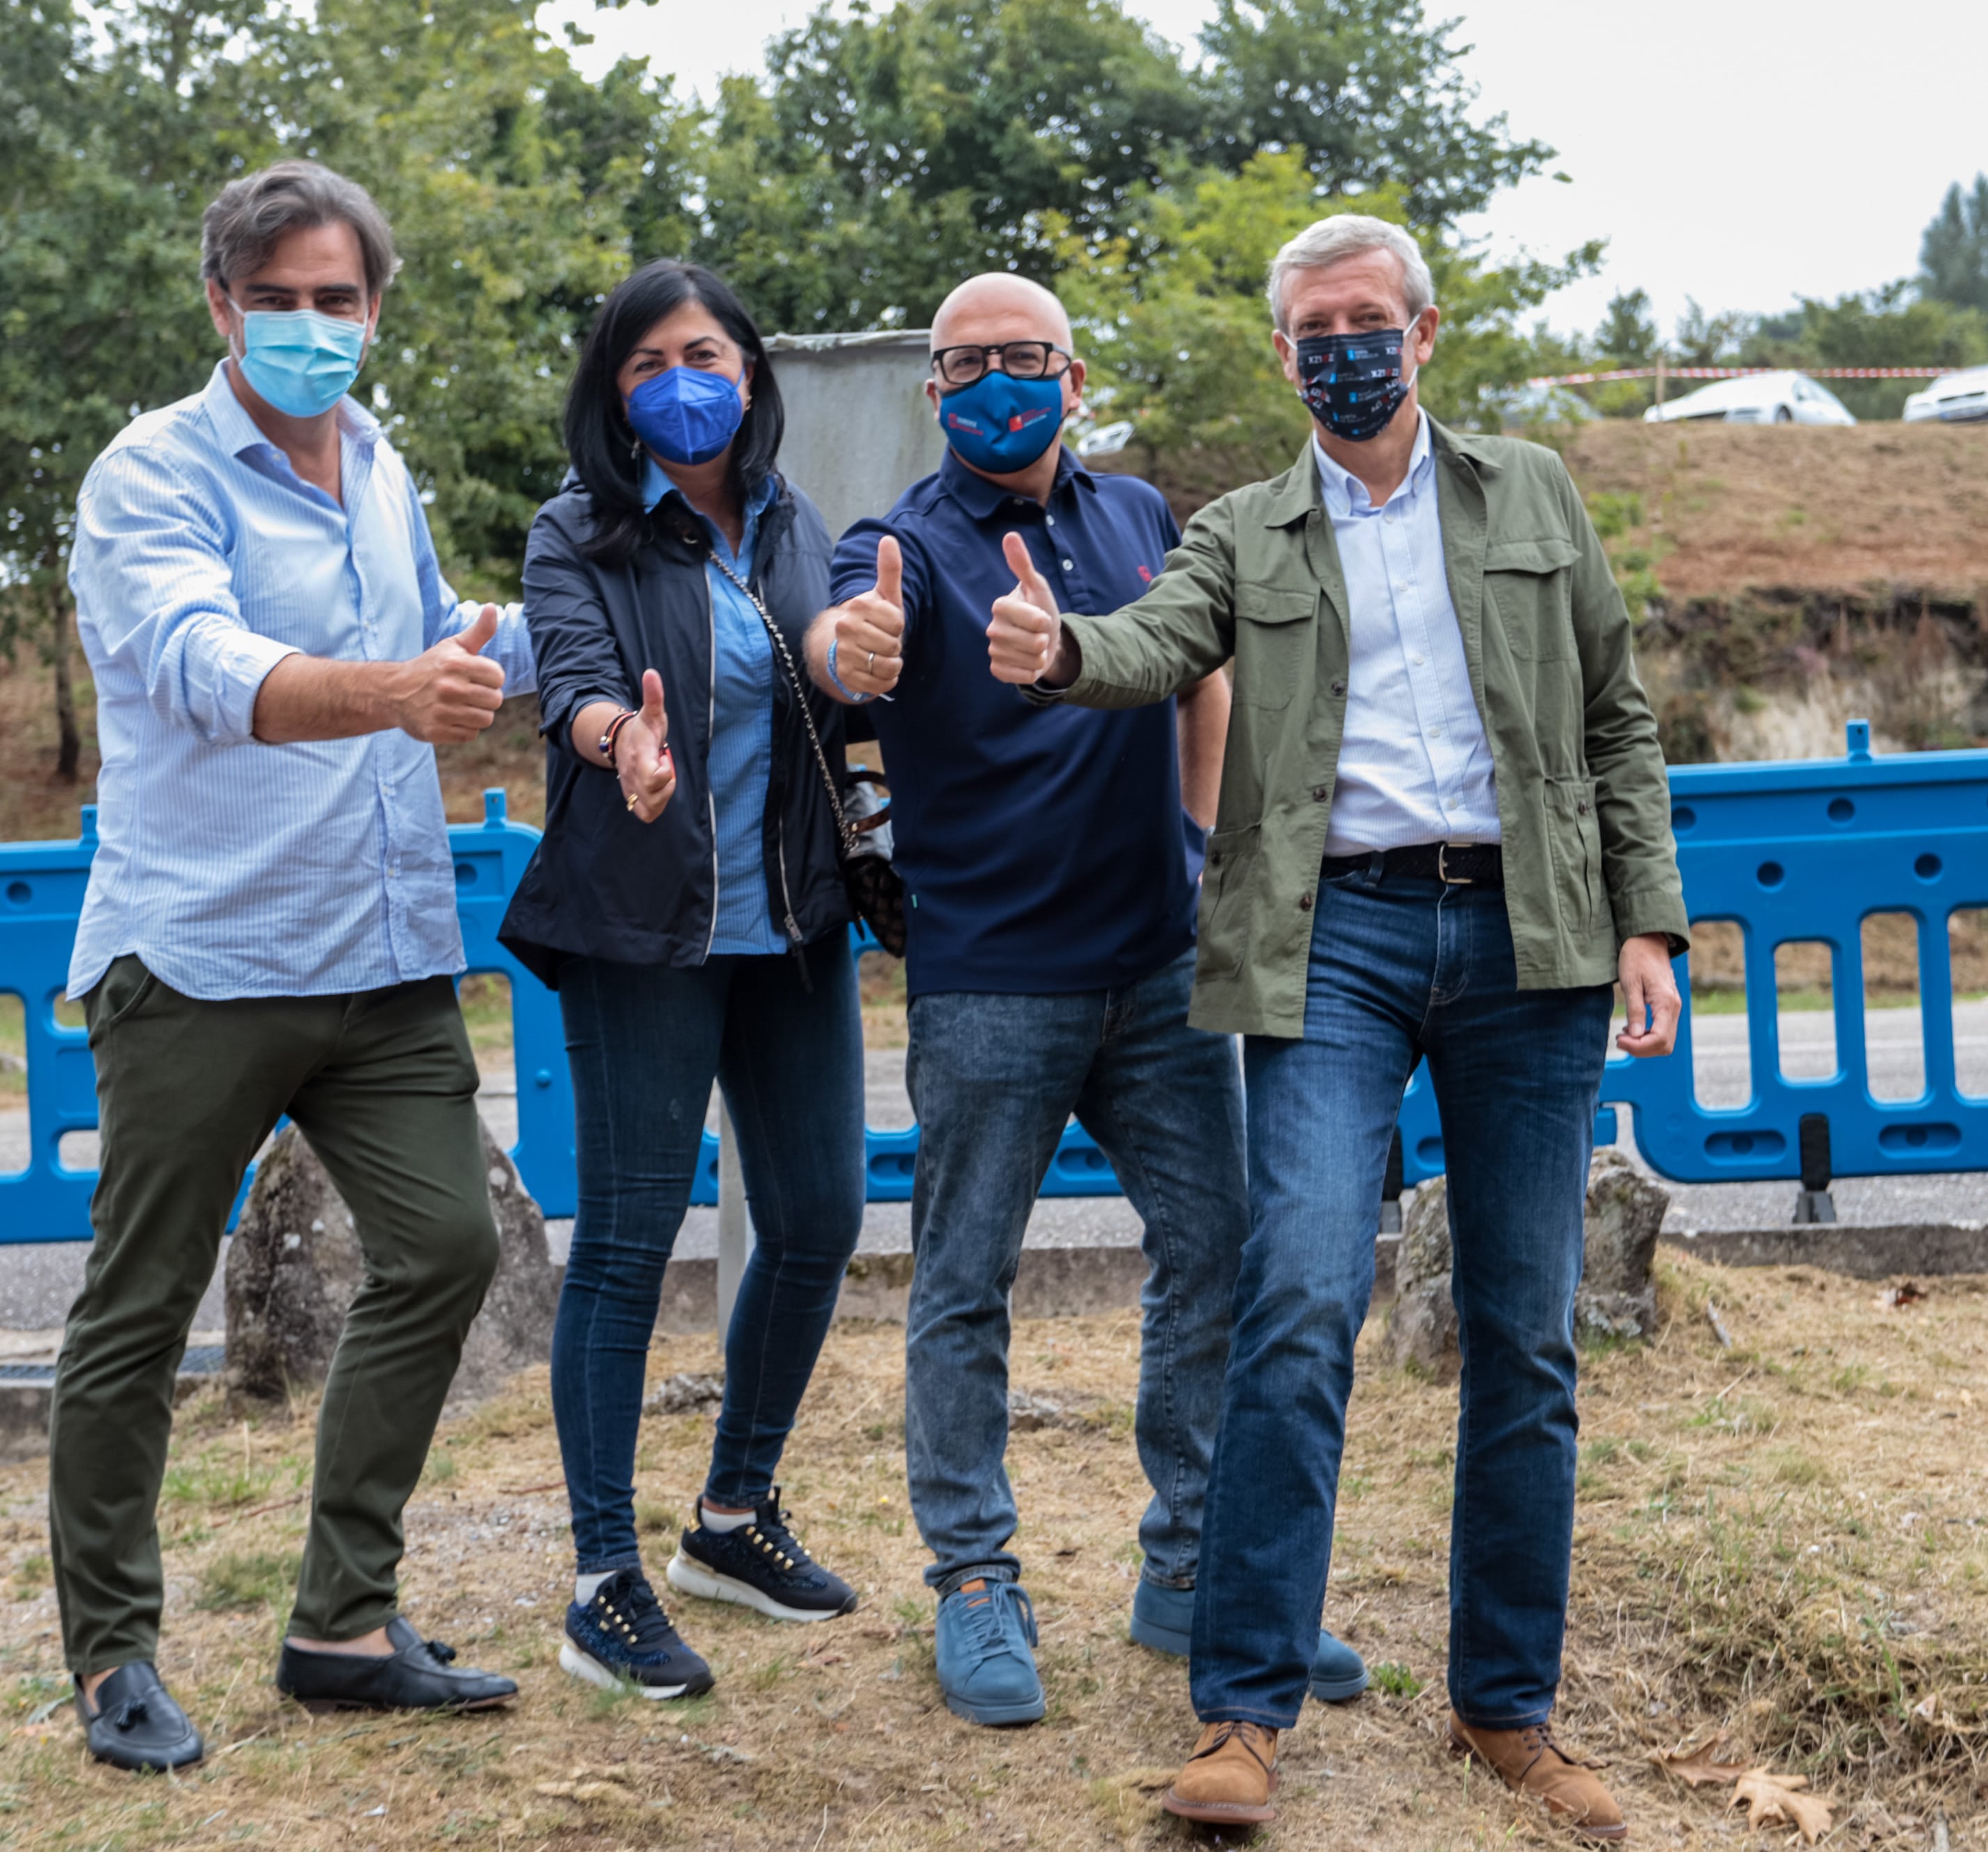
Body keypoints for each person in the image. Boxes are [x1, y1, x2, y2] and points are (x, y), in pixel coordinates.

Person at [985, 214, 1688, 1838]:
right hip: (1337, 938)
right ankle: (1242, 1708)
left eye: (1366, 319)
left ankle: (1505, 1707)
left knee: (1524, 1327)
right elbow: (1153, 644)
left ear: (1422, 335)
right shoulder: (1244, 527)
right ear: (1284, 349)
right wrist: (1058, 652)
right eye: (1311, 327)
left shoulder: (1527, 490)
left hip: (1532, 933)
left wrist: (1649, 913)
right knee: (1295, 1295)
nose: (1341, 347)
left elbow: (1613, 711)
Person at [803, 273, 1364, 1727]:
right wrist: (842, 651)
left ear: (1071, 371)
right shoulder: (900, 545)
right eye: (969, 362)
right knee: (961, 1282)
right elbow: (838, 642)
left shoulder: (1134, 517)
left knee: (1221, 1256)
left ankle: (1197, 1567)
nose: (1001, 381)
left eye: (1026, 357)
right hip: (989, 982)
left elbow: (1202, 682)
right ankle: (973, 1578)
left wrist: (1192, 843)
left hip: (1156, 967)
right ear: (934, 390)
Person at [52, 160, 532, 1774]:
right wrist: (390, 691)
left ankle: (339, 1620)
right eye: (280, 300)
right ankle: (114, 1653)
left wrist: (604, 640)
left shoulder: (380, 462)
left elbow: (443, 635)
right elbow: (202, 665)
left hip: (381, 955)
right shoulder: (152, 472)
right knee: (138, 1308)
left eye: (340, 300)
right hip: (200, 954)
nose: (313, 327)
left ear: (375, 311)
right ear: (220, 305)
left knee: (447, 1245)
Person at [500, 258, 866, 1703]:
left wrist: (866, 654)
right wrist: (614, 742)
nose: (678, 381)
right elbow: (575, 678)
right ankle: (603, 1576)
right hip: (641, 930)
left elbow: (838, 658)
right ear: (613, 393)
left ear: (751, 372)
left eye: (701, 352)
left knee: (822, 1214)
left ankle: (731, 1513)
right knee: (628, 1243)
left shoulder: (794, 526)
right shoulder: (575, 531)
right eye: (644, 362)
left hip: (790, 932)